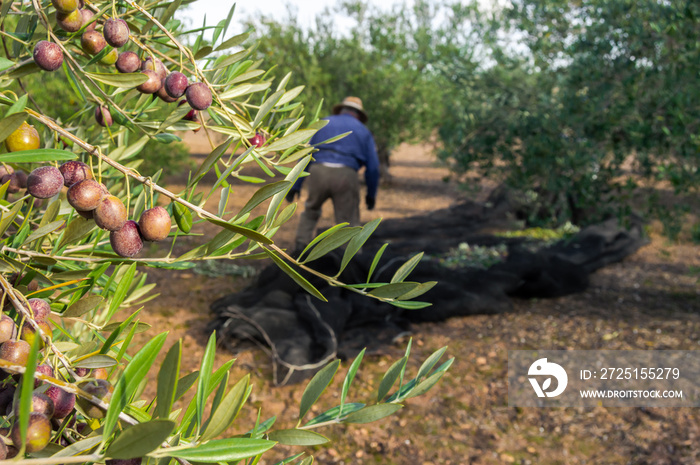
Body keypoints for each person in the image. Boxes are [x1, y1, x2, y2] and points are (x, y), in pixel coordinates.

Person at [286, 96, 380, 250]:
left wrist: (295, 185)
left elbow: (306, 154)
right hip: (346, 174)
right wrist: (371, 194)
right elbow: (374, 167)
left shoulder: (324, 123)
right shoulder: (363, 130)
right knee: (348, 222)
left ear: (341, 110)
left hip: (318, 171)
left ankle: (300, 249)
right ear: (358, 114)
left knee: (311, 210)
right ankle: (350, 261)